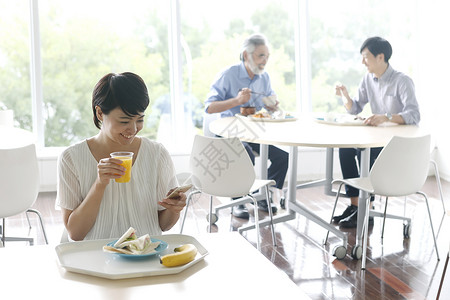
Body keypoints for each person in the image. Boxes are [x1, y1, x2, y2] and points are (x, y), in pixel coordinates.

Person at [56, 72, 187, 241]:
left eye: (139, 119)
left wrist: (173, 209)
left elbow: (164, 225)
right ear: (100, 113)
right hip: (95, 257)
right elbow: (75, 233)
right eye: (124, 121)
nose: (133, 129)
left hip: (145, 255)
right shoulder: (71, 158)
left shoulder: (157, 154)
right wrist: (100, 184)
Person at [333, 36, 420, 228]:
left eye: (366, 57)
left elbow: (414, 115)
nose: (363, 62)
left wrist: (387, 116)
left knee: (364, 152)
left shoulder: (402, 81)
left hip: (396, 146)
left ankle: (367, 210)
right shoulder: (368, 79)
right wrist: (345, 96)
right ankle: (356, 206)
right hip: (376, 141)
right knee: (346, 149)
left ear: (380, 57)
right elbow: (354, 108)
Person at [204, 33, 289, 219]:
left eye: (267, 56)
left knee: (282, 157)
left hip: (252, 133)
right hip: (228, 133)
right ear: (246, 55)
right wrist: (236, 100)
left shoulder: (264, 77)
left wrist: (272, 104)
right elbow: (209, 107)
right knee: (245, 153)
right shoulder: (228, 74)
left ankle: (263, 196)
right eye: (260, 55)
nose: (264, 61)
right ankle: (238, 201)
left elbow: (271, 103)